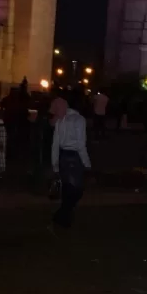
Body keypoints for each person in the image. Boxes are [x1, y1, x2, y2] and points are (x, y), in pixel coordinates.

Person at [51, 94, 91, 228]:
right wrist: (87, 163)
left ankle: (64, 217)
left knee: (68, 188)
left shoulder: (60, 120)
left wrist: (55, 164)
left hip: (63, 156)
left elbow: (55, 144)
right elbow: (81, 144)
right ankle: (62, 214)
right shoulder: (79, 120)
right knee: (77, 189)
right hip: (74, 156)